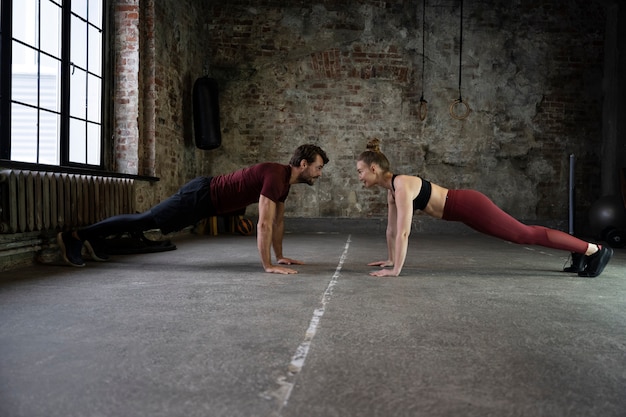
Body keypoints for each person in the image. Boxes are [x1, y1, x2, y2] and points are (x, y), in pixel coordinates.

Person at [356, 138, 613, 278]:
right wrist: (390, 259)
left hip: (468, 204)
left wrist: (396, 270)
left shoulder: (401, 186)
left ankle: (595, 250)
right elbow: (391, 230)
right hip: (463, 212)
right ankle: (580, 251)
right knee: (523, 234)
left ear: (374, 169)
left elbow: (403, 233)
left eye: (360, 172)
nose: (359, 177)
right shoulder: (392, 190)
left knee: (524, 234)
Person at [57, 144, 329, 275]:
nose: (319, 173)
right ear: (303, 164)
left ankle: (91, 238)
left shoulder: (284, 184)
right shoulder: (275, 175)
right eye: (318, 168)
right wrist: (267, 265)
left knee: (150, 223)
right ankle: (76, 236)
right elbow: (264, 224)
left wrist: (280, 256)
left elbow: (278, 223)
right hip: (200, 195)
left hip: (205, 205)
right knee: (146, 219)